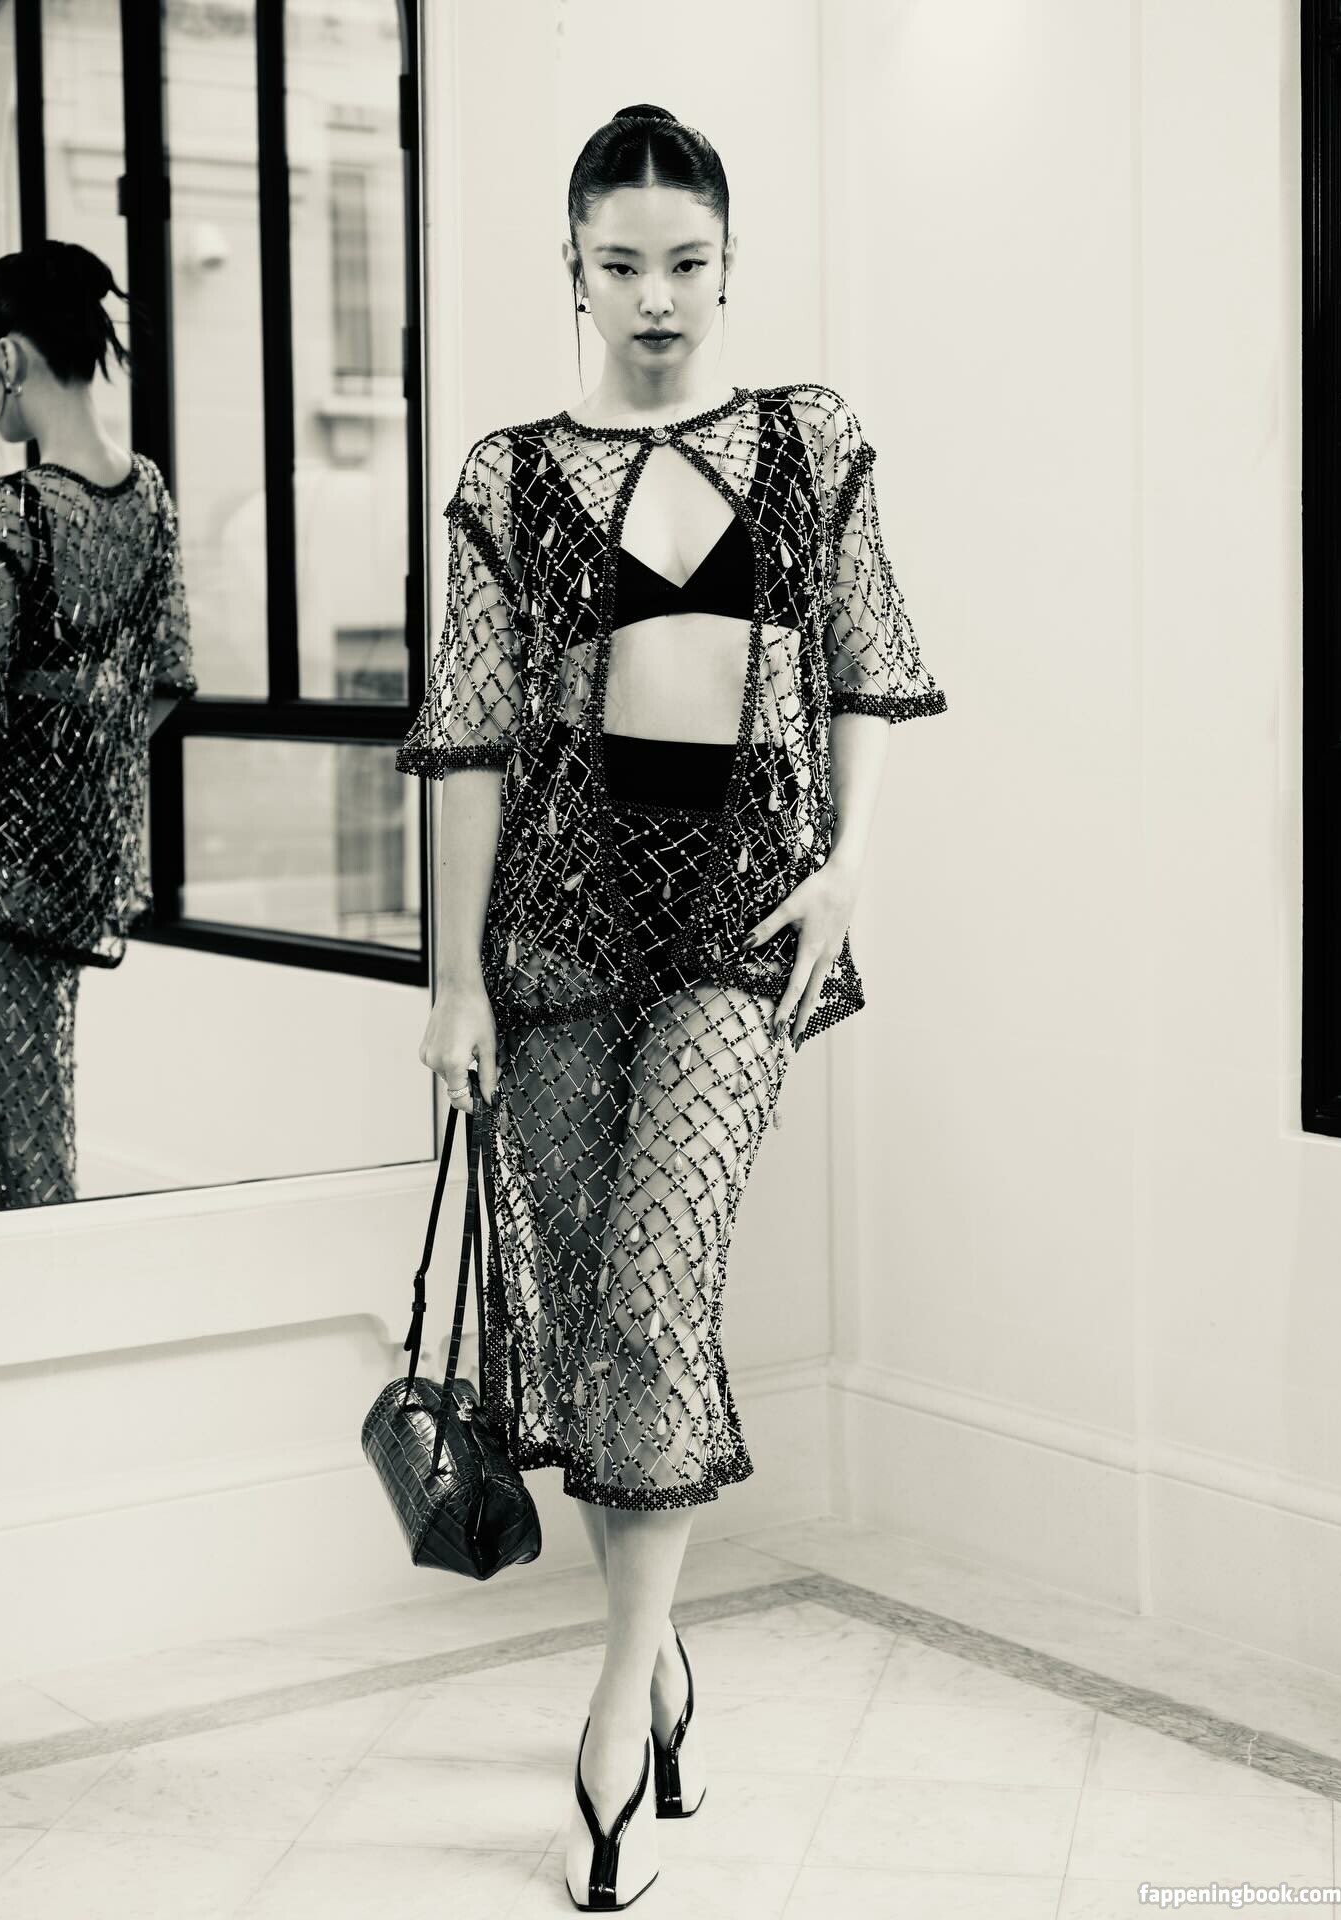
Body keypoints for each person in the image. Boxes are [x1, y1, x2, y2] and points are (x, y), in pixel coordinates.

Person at [395, 104, 947, 1907]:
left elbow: (865, 669)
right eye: (621, 263)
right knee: (590, 1327)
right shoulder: (507, 476)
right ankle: (667, 1662)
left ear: (730, 266)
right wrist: (453, 983)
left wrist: (848, 866)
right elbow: (471, 749)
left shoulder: (807, 440)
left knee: (653, 1290)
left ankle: (615, 1712)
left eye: (687, 263)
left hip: (740, 920)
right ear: (571, 268)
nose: (656, 296)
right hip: (557, 929)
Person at [0, 239, 197, 1214]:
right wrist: (72, 774)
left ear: (8, 358)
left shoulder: (8, 513)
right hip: (70, 866)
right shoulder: (146, 495)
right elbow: (164, 681)